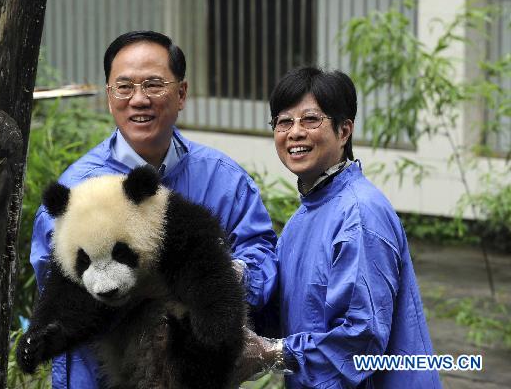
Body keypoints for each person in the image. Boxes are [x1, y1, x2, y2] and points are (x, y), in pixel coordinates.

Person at [30, 30, 278, 388]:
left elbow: (262, 256)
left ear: (182, 93)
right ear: (108, 97)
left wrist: (224, 278)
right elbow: (54, 287)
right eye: (124, 87)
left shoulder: (225, 180)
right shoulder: (76, 192)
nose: (139, 99)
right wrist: (128, 295)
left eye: (153, 84)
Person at [234, 66, 441, 388]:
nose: (295, 132)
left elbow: (362, 339)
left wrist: (273, 352)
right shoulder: (306, 214)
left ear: (344, 131)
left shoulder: (359, 214)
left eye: (311, 120)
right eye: (284, 122)